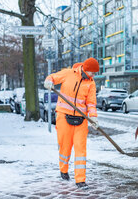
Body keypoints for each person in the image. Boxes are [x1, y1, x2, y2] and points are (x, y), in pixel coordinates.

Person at [44, 57, 99, 189]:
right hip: (63, 116)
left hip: (81, 119)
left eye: (95, 73)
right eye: (92, 72)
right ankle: (63, 170)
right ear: (86, 69)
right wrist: (48, 82)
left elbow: (91, 103)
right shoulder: (68, 73)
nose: (93, 75)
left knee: (81, 148)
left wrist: (93, 118)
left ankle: (80, 179)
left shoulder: (91, 83)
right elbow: (52, 77)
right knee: (65, 146)